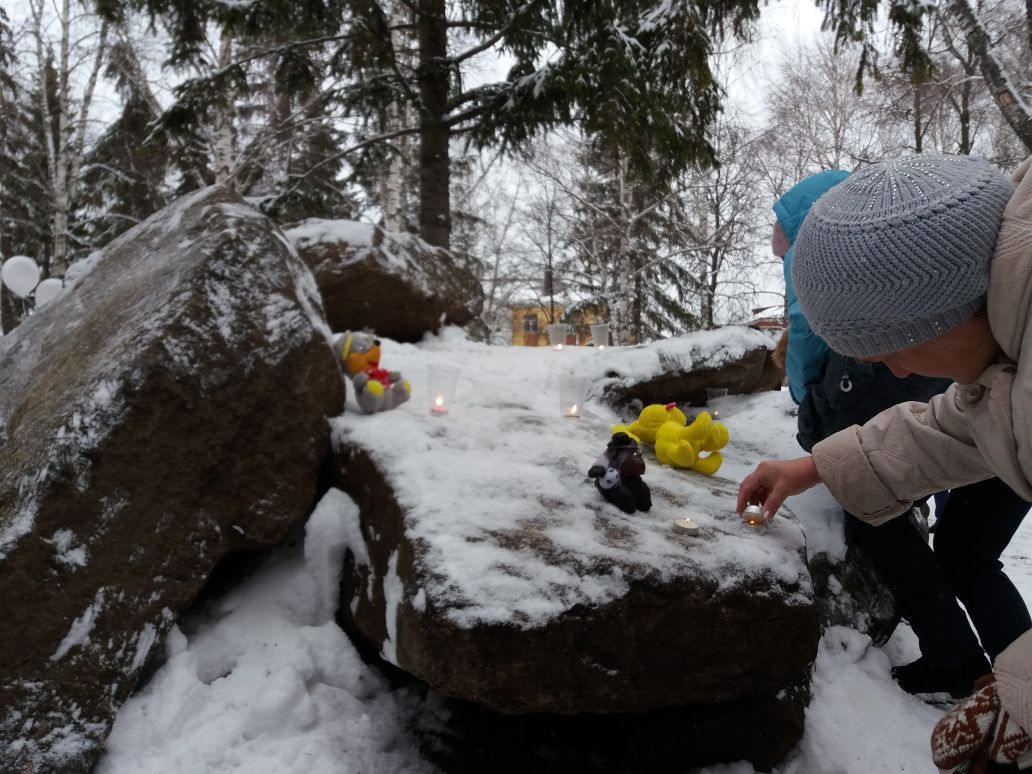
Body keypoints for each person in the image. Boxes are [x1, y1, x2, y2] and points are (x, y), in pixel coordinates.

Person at [738, 153, 1032, 771]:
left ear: (948, 310)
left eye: (894, 350)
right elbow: (950, 427)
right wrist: (812, 468)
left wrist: (1026, 695)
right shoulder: (1008, 350)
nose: (898, 372)